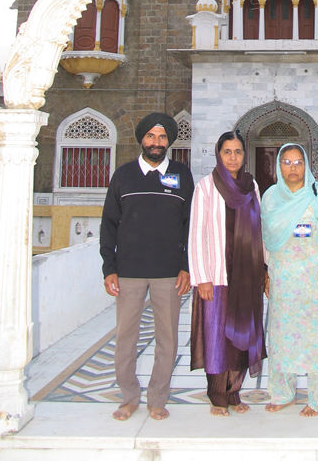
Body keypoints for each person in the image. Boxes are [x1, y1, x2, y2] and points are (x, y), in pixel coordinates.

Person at [100, 112, 194, 421]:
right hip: (129, 272)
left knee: (167, 339)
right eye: (151, 136)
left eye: (162, 137)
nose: (156, 142)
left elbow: (189, 225)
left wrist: (186, 266)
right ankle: (128, 396)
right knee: (126, 337)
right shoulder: (124, 175)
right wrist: (109, 268)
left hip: (168, 273)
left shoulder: (181, 175)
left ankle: (157, 398)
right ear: (142, 139)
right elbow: (109, 224)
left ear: (169, 141)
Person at [261, 144, 318, 417]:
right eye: (287, 162)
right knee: (281, 337)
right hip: (284, 278)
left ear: (306, 165)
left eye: (298, 162)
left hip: (315, 278)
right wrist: (268, 272)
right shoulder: (272, 197)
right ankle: (282, 393)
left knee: (316, 337)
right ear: (279, 165)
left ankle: (316, 397)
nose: (293, 167)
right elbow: (266, 239)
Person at [188, 130, 266, 415]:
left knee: (242, 337)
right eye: (227, 152)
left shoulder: (250, 186)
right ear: (218, 155)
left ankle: (235, 391)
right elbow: (197, 234)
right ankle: (217, 395)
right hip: (217, 276)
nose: (233, 158)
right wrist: (202, 277)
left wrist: (264, 269)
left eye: (238, 152)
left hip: (246, 276)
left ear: (244, 155)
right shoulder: (206, 187)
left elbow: (259, 231)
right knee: (217, 337)